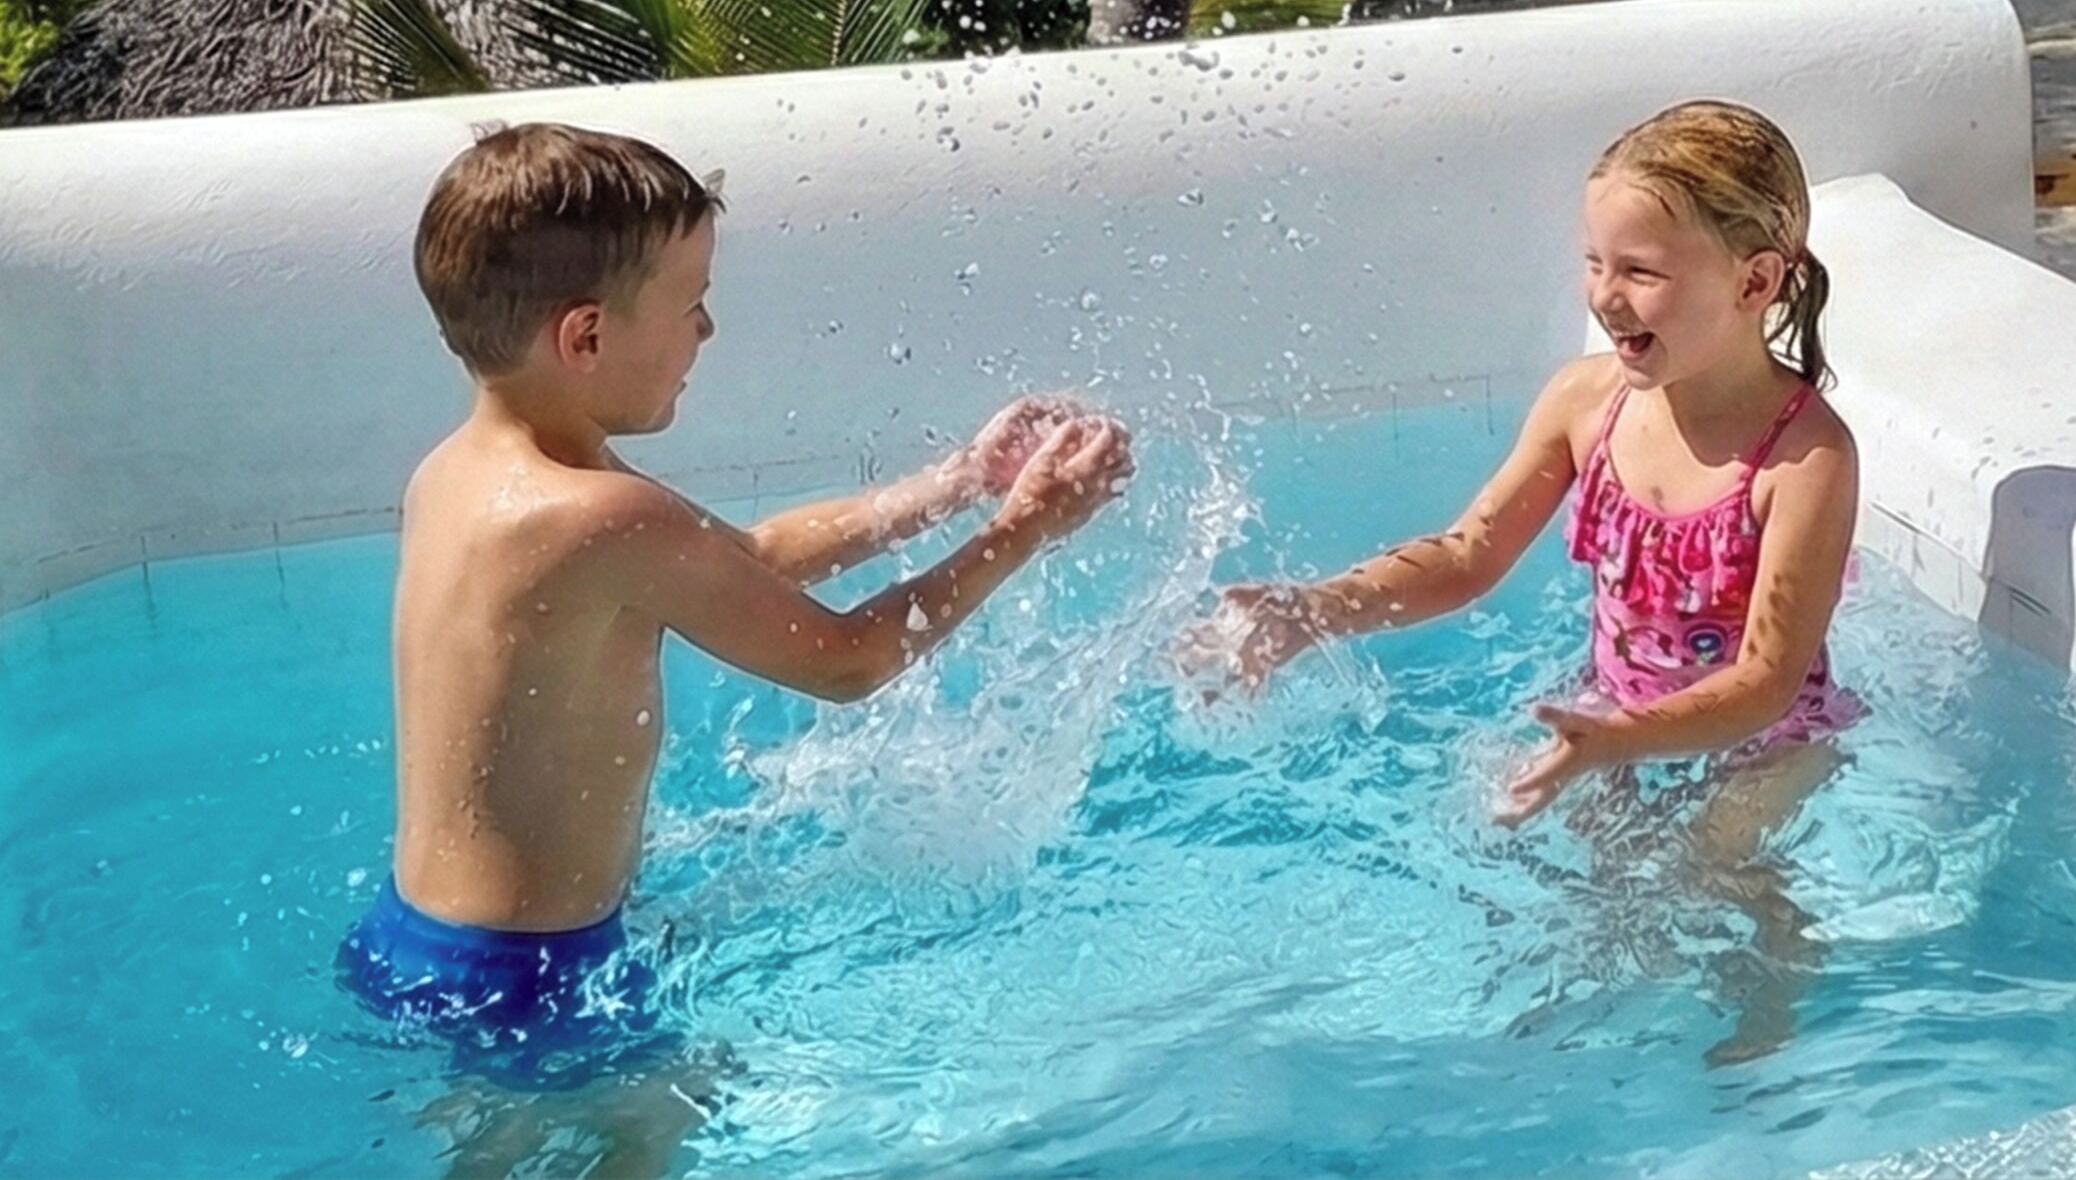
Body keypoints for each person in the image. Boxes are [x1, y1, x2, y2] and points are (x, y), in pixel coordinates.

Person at [344, 122, 1133, 1064]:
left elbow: (752, 554)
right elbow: (848, 662)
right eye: (692, 303)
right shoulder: (599, 515)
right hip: (529, 982)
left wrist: (960, 480)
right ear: (587, 335)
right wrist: (1023, 532)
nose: (707, 330)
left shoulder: (464, 475)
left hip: (423, 943)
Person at [1191, 99, 1861, 824]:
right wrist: (1317, 608)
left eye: (1641, 271)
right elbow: (1468, 553)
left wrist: (1622, 740)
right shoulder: (1585, 404)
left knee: (1719, 867)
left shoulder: (1802, 460)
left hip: (1764, 741)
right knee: (1585, 884)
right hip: (1612, 718)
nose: (1606, 296)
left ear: (1754, 284)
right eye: (1595, 263)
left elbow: (1766, 680)